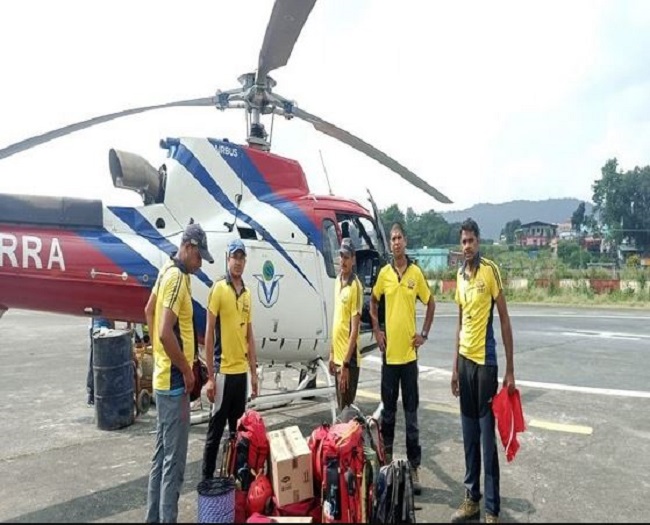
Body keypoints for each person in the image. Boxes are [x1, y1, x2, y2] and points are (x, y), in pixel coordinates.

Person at [144, 222, 214, 523]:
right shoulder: (176, 278)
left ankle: (154, 518)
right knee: (175, 463)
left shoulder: (168, 272)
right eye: (200, 258)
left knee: (160, 458)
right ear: (189, 248)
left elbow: (149, 310)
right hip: (174, 383)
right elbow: (164, 331)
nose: (200, 266)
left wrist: (160, 355)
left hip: (164, 377)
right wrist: (185, 369)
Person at [450, 218, 515, 524]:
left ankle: (491, 509)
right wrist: (453, 368)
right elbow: (460, 323)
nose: (467, 246)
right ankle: (471, 499)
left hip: (486, 365)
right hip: (464, 365)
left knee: (487, 440)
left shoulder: (489, 270)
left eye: (471, 241)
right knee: (469, 436)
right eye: (463, 241)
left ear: (479, 241)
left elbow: (503, 319)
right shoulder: (460, 276)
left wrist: (510, 369)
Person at [370, 222, 435, 495]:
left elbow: (430, 303)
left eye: (399, 238)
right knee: (388, 417)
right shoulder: (384, 274)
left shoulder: (415, 274)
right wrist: (377, 329)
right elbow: (373, 302)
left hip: (408, 359)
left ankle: (414, 469)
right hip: (389, 359)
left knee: (411, 419)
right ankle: (385, 470)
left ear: (405, 242)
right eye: (392, 238)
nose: (395, 242)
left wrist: (424, 334)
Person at [201, 238, 258, 481]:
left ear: (245, 261)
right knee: (215, 431)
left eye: (241, 257)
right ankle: (206, 480)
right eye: (234, 257)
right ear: (228, 259)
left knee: (238, 433)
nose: (237, 262)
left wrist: (253, 373)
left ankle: (235, 482)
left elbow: (250, 336)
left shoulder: (246, 295)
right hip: (223, 372)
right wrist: (210, 378)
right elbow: (208, 331)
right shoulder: (218, 289)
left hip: (240, 374)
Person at [328, 238, 363, 411]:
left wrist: (346, 365)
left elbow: (354, 329)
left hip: (348, 362)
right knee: (341, 409)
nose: (343, 260)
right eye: (341, 256)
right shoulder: (337, 281)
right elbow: (337, 320)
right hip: (338, 358)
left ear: (353, 259)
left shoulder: (355, 286)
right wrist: (332, 354)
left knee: (346, 413)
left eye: (347, 257)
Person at [86, 316, 115, 406]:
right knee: (103, 363)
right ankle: (101, 392)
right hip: (103, 330)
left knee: (94, 360)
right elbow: (110, 315)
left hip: (95, 328)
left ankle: (92, 393)